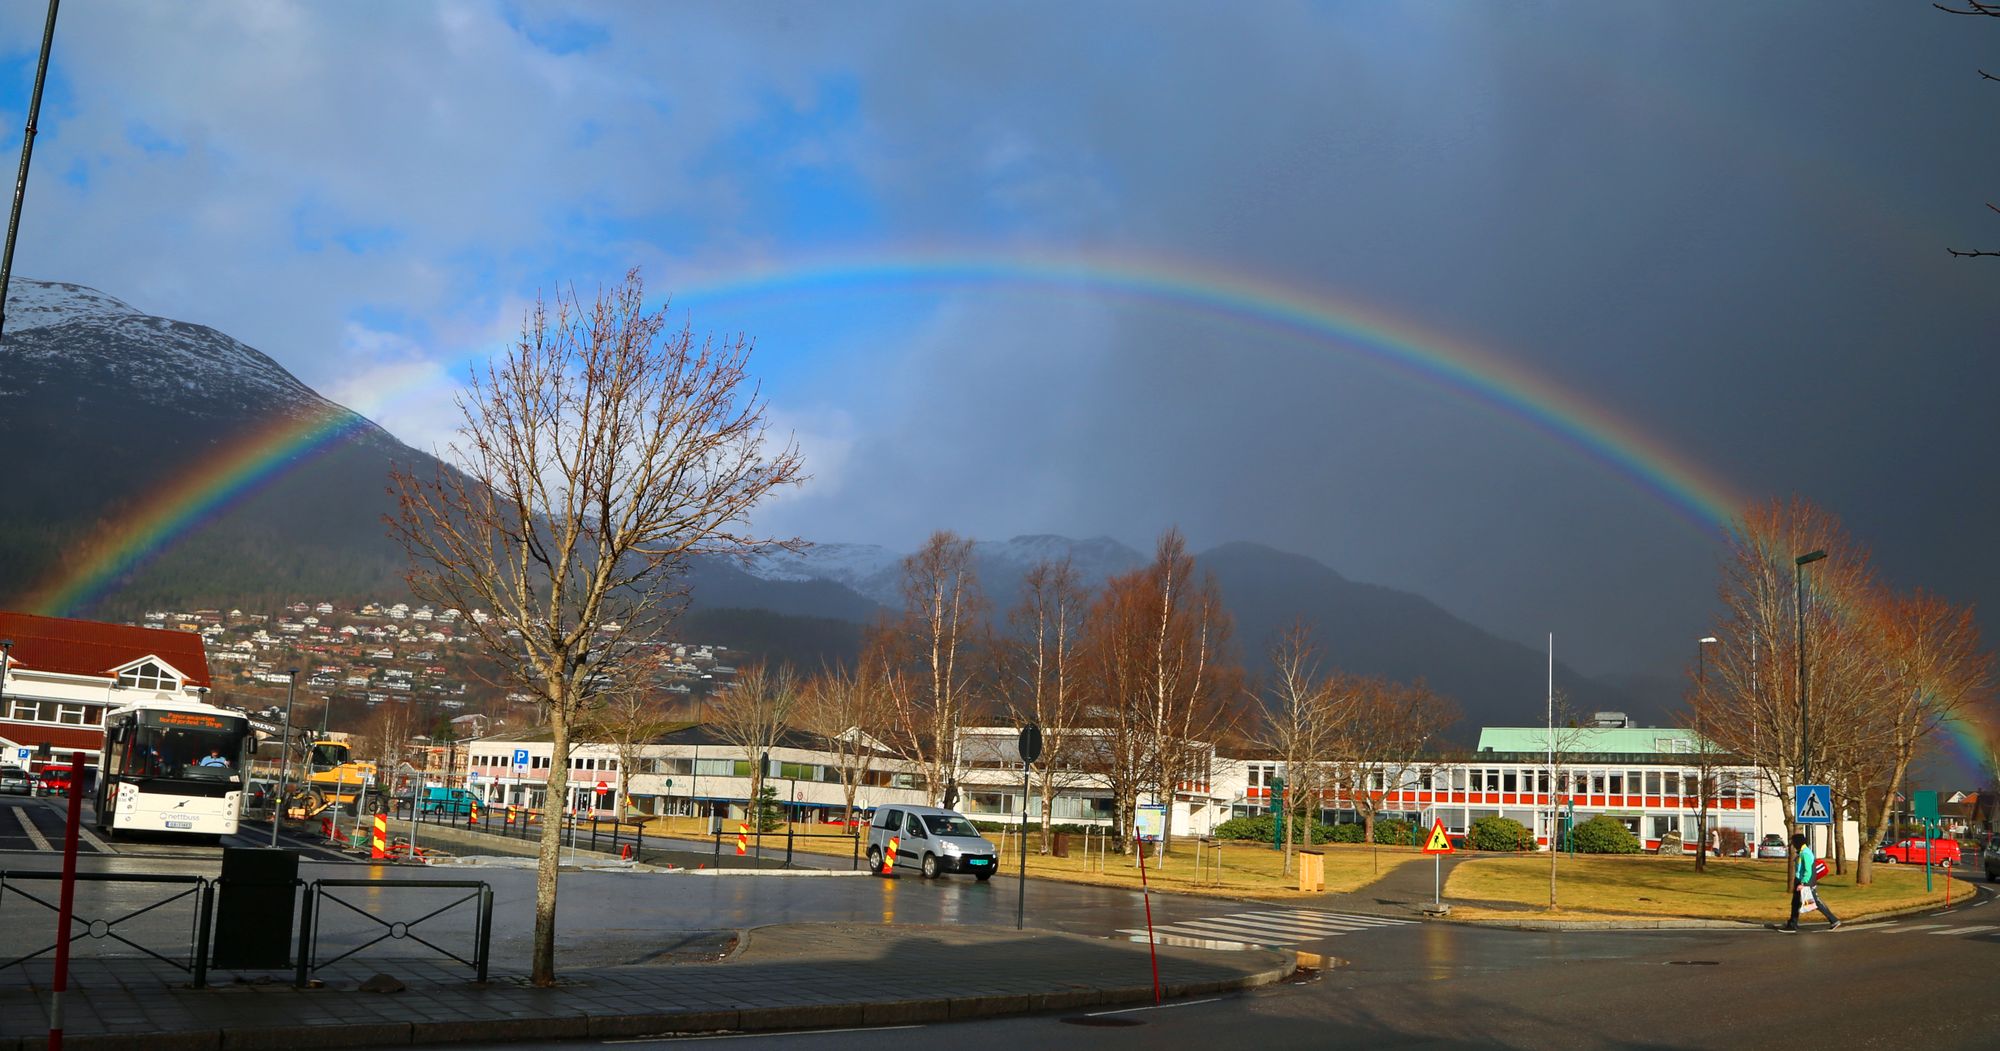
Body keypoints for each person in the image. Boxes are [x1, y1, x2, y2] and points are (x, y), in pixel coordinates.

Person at [1780, 831, 1840, 932]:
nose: (1792, 845)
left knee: (1815, 902)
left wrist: (1803, 884)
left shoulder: (1805, 853)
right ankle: (1792, 924)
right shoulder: (1802, 852)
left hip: (1805, 883)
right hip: (1801, 881)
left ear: (1798, 842)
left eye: (1793, 842)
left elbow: (1808, 870)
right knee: (1796, 903)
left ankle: (1834, 920)